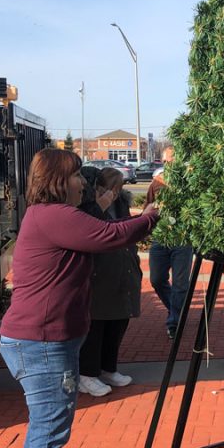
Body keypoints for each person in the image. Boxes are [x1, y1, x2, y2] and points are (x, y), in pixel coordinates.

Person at [0, 148, 158, 448]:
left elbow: (102, 227)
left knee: (42, 428)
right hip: (42, 343)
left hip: (40, 340)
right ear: (57, 180)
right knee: (50, 431)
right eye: (75, 177)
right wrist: (152, 216)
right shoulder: (55, 215)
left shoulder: (49, 215)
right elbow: (111, 236)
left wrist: (137, 216)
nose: (82, 184)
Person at [77, 167, 141, 397]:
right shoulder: (86, 206)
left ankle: (108, 368)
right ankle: (87, 373)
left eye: (118, 188)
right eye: (110, 187)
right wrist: (100, 204)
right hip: (99, 274)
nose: (114, 192)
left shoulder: (121, 202)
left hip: (122, 269)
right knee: (96, 326)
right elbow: (88, 230)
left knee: (118, 321)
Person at [145, 147, 193, 339]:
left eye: (172, 162)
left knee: (181, 283)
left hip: (182, 239)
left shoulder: (189, 182)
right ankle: (175, 309)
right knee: (157, 279)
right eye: (165, 162)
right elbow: (148, 207)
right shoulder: (157, 182)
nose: (168, 165)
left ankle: (174, 322)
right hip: (160, 238)